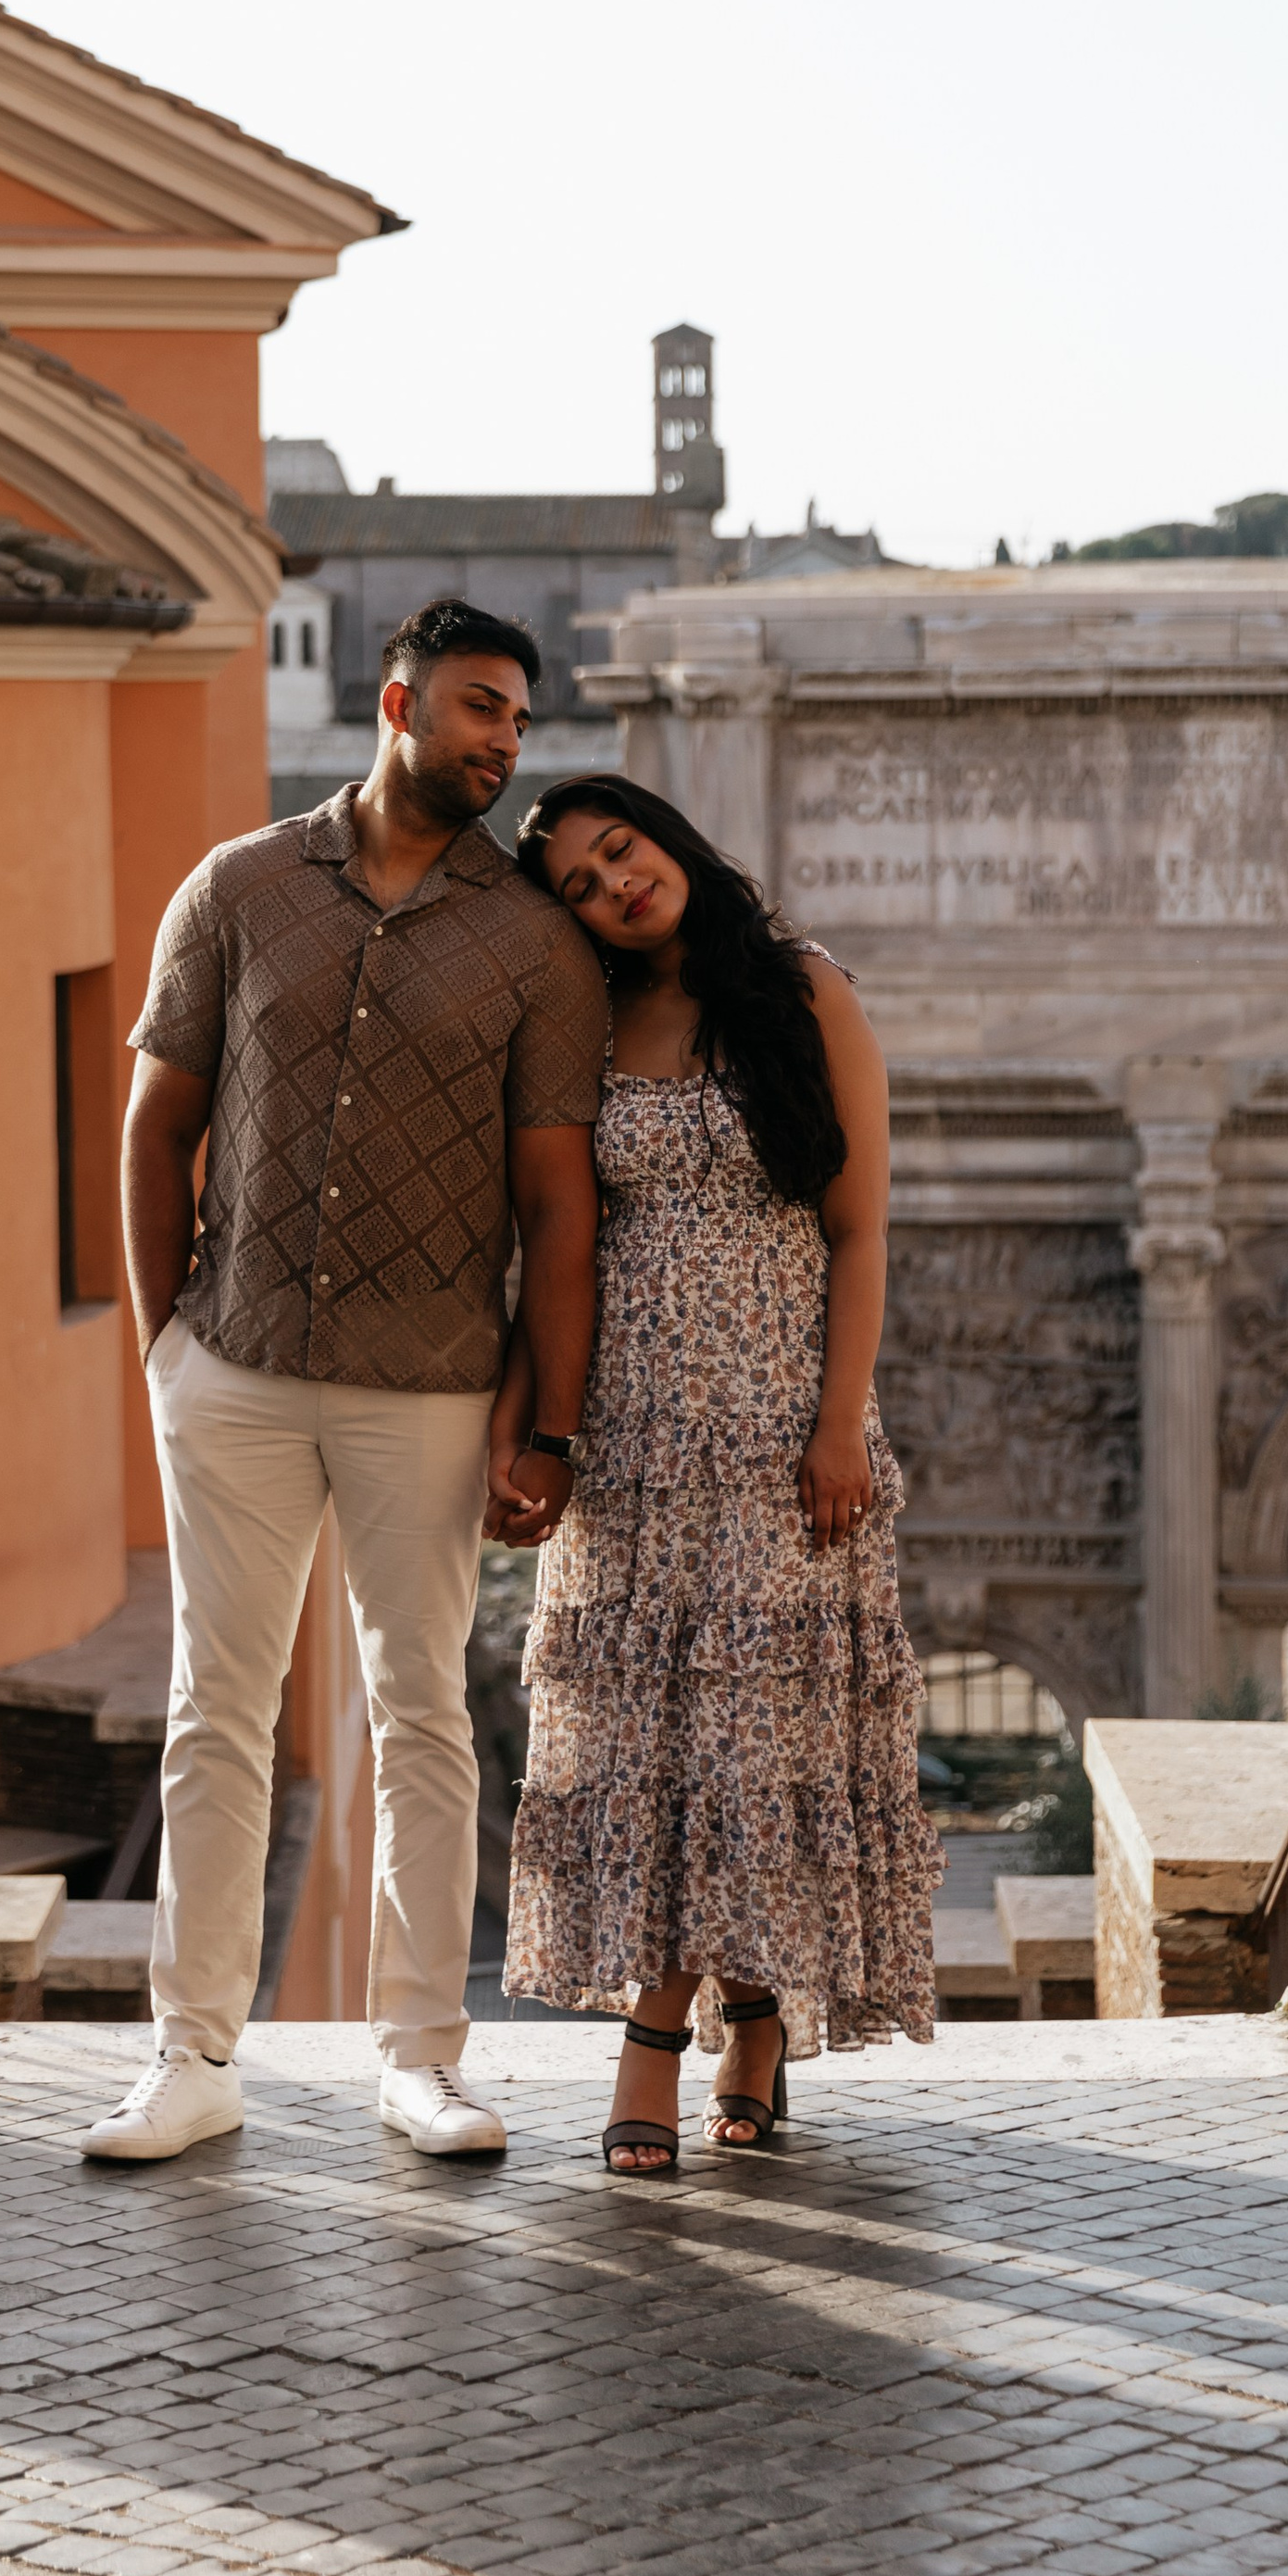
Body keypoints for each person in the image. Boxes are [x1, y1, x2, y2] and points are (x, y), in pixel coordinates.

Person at [84, 597, 606, 2164]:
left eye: (517, 718)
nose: (504, 743)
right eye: (478, 710)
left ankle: (424, 2058)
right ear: (397, 703)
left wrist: (551, 1416)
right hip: (230, 1367)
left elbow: (558, 1208)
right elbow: (154, 1128)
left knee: (425, 1714)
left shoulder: (535, 945)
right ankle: (190, 2057)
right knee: (214, 1715)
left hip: (432, 1387)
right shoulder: (236, 891)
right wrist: (158, 1344)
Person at [491, 773, 940, 2172]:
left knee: (752, 1748)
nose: (614, 884)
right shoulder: (588, 1025)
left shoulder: (805, 992)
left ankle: (655, 2041)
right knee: (644, 1749)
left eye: (620, 850)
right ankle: (755, 2018)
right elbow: (550, 1239)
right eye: (579, 883)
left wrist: (836, 1425)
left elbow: (859, 1229)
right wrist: (532, 1428)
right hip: (629, 1438)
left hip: (773, 1437)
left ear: (669, 843)